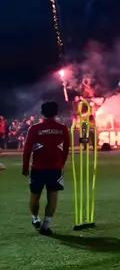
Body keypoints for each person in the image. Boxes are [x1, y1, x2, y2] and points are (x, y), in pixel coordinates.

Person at [22, 101, 70, 236]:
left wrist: (25, 167)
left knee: (34, 196)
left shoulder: (34, 128)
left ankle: (35, 218)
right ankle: (46, 225)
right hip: (55, 168)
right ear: (56, 112)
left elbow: (27, 149)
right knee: (53, 195)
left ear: (41, 112)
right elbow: (66, 149)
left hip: (38, 168)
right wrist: (61, 164)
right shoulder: (62, 128)